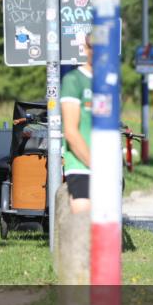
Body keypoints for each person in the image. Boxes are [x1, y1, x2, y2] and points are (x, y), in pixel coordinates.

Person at [60, 35, 93, 214]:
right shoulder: (74, 80)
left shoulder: (110, 81)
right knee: (83, 223)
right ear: (85, 48)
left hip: (107, 166)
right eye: (93, 47)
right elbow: (71, 132)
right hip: (82, 167)